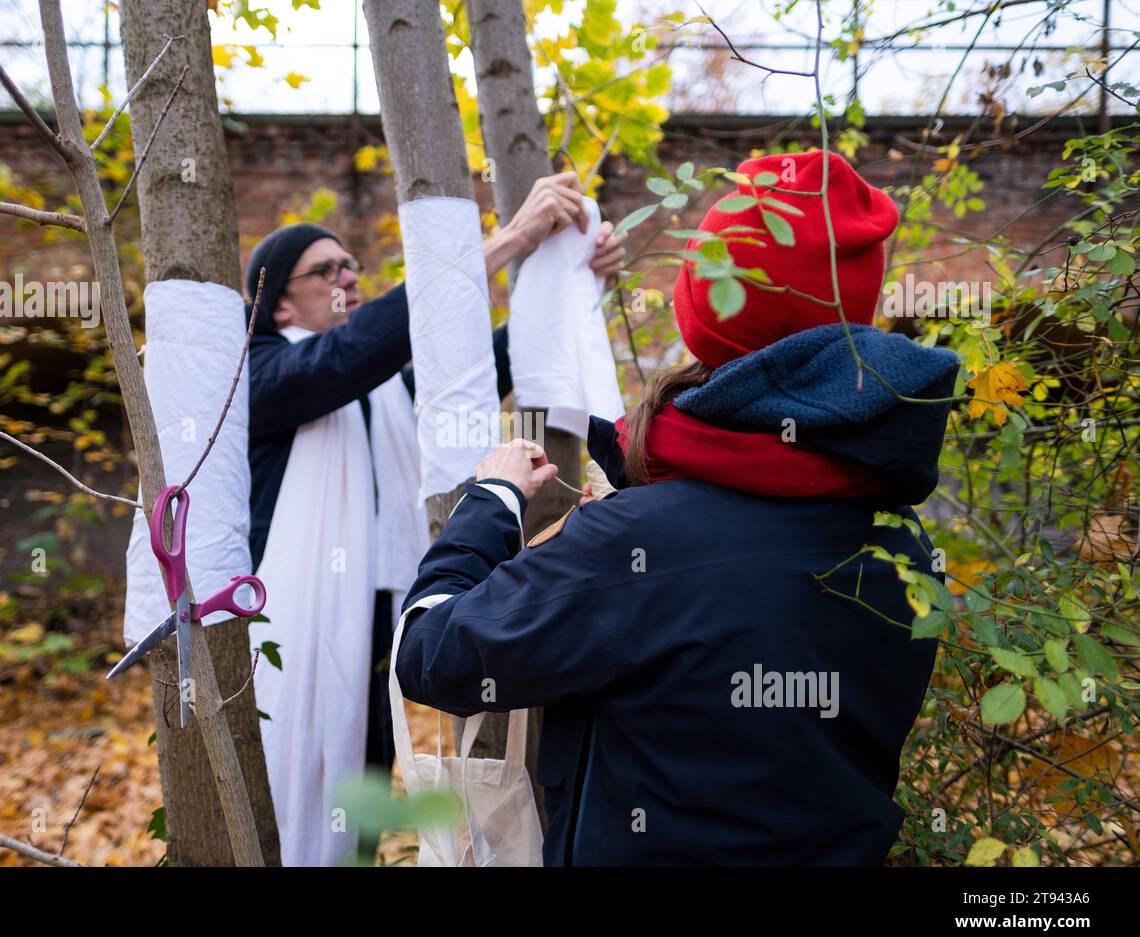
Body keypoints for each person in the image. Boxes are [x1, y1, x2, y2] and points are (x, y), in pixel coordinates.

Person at [392, 149, 962, 866]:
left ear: (705, 311)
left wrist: (493, 500)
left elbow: (430, 654)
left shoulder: (638, 548)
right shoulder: (900, 540)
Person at [245, 171, 626, 866]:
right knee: (289, 777)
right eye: (323, 269)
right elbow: (354, 351)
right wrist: (509, 240)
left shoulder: (380, 388)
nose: (347, 275)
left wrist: (574, 283)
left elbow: (487, 359)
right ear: (276, 302)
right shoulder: (261, 373)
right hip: (290, 625)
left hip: (375, 611)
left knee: (363, 773)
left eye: (350, 264)